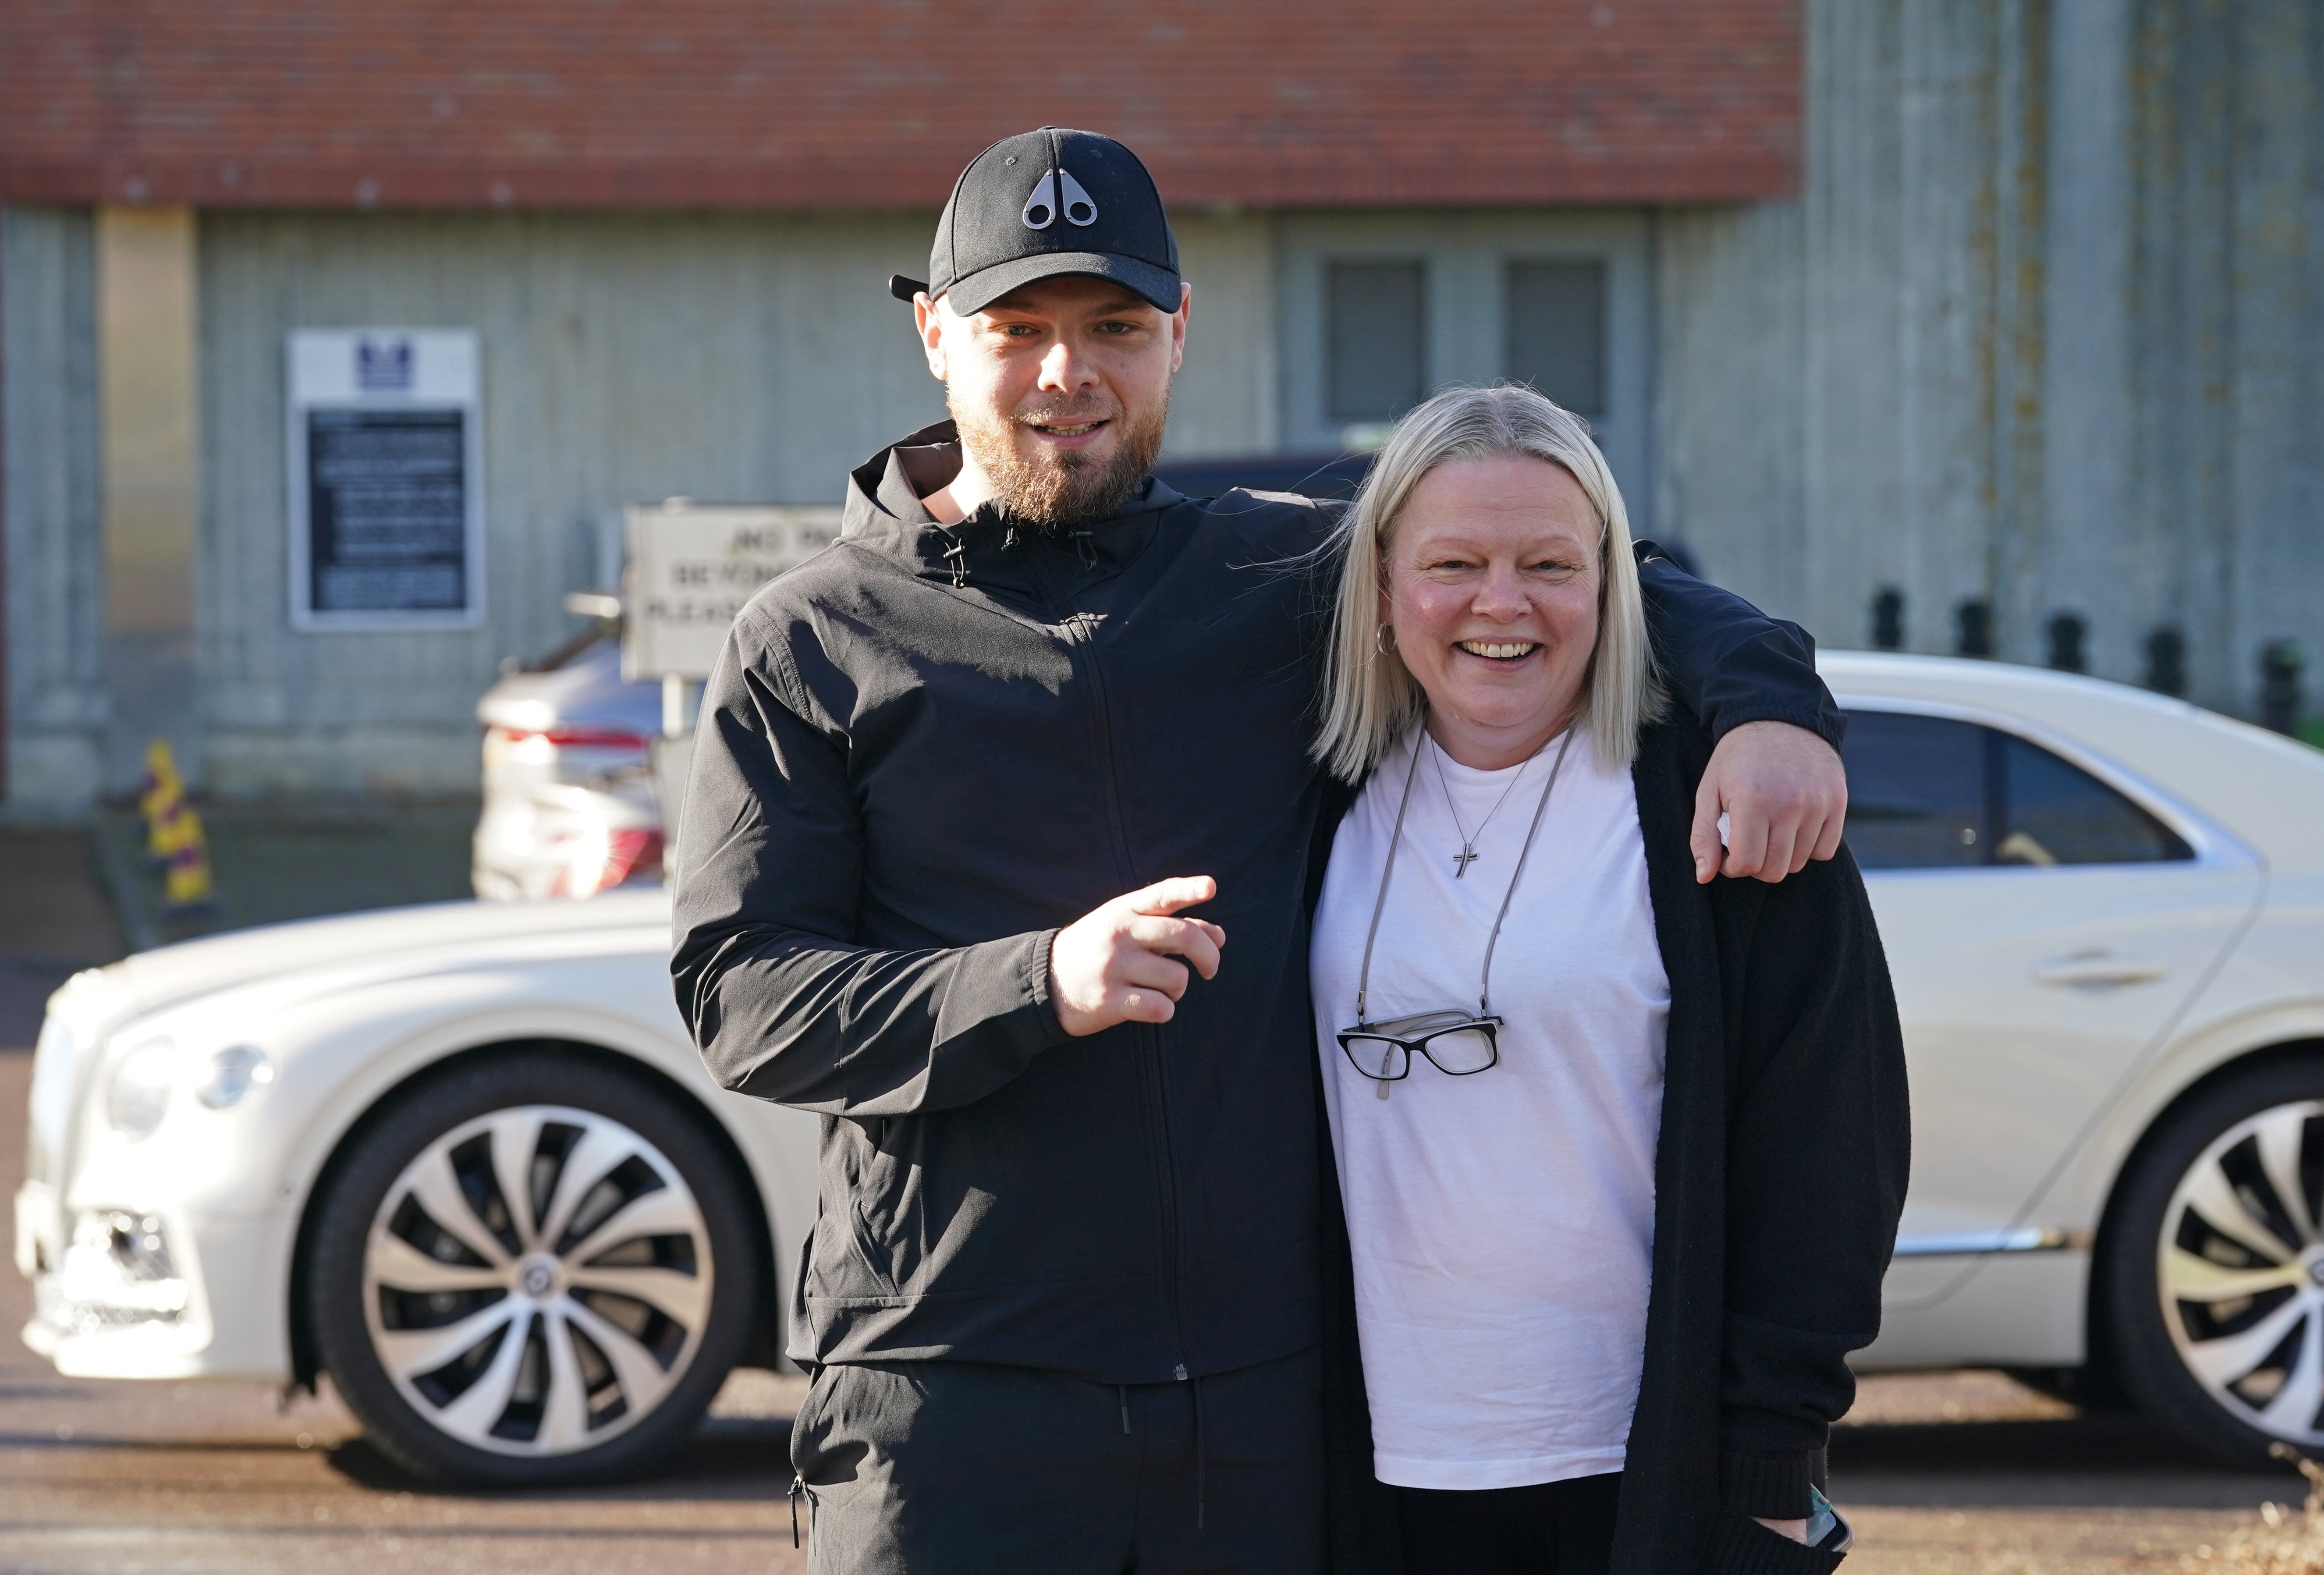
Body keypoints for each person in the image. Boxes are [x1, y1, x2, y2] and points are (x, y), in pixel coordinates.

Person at [671, 126, 1852, 1575]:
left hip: (1262, 1417)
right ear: (933, 334)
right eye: (1017, 330)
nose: (1067, 375)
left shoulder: (1279, 577)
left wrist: (1774, 705)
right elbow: (742, 994)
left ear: (1177, 333)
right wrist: (1036, 978)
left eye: (1112, 327)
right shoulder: (807, 640)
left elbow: (1542, 554)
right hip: (950, 1398)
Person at [1305, 384, 1908, 1575]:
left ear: (1610, 584)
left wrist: (1771, 1475)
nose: (1501, 602)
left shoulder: (1724, 813)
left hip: (1642, 1473)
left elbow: (1828, 1151)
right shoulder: (1302, 792)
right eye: (1455, 562)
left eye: (1548, 563)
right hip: (1360, 1473)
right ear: (1380, 587)